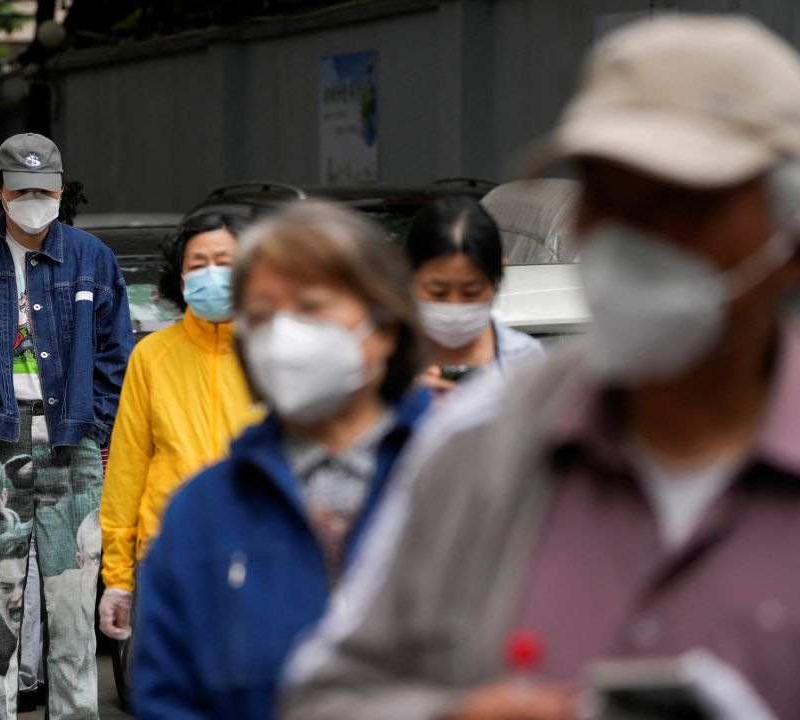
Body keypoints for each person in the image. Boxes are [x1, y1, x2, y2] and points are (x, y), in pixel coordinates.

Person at [281, 16, 800, 720]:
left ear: (799, 251)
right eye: (606, 193)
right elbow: (324, 695)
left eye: (679, 203)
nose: (629, 236)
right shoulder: (483, 446)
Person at [132, 202, 431, 720]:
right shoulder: (201, 514)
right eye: (263, 313)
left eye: (311, 306)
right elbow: (168, 697)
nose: (285, 334)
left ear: (383, 325)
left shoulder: (458, 478)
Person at [0, 132, 134, 720]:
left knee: (72, 616)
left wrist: (98, 426)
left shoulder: (92, 257)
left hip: (74, 447)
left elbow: (117, 354)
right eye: (22, 190)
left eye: (45, 190)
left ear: (61, 191)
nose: (34, 199)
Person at [98, 213, 264, 642]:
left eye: (225, 261)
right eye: (198, 263)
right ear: (181, 276)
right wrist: (117, 577)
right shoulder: (151, 356)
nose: (213, 274)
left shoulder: (278, 352)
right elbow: (127, 467)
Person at [406, 196, 543, 394]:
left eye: (471, 292)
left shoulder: (526, 360)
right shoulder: (382, 360)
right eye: (438, 292)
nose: (454, 306)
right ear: (408, 274)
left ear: (497, 277)